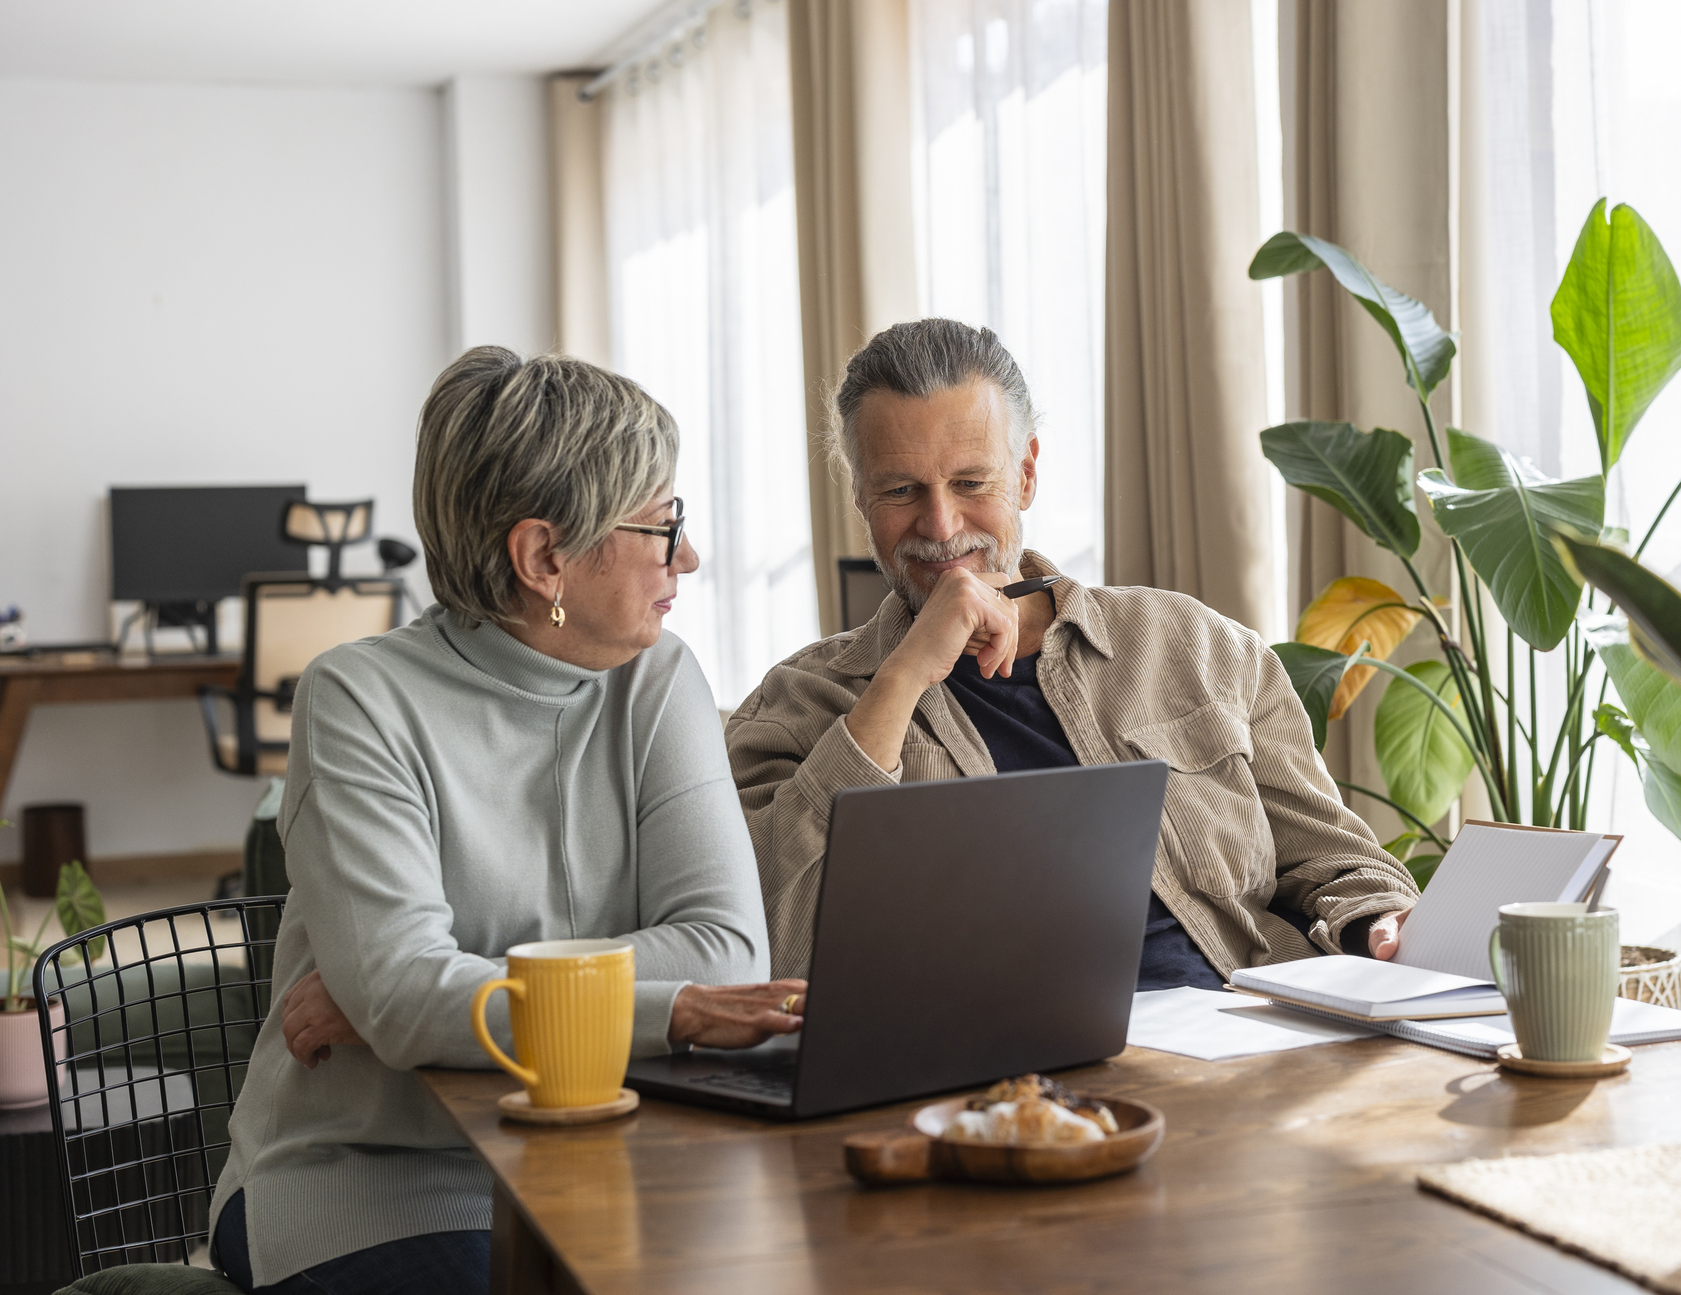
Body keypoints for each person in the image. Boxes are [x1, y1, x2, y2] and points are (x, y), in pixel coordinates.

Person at [209, 349, 804, 1294]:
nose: (686, 556)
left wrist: (443, 991)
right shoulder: (359, 701)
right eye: (660, 525)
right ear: (541, 558)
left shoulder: (658, 678)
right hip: (379, 1180)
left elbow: (727, 951)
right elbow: (408, 999)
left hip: (611, 1152)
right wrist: (673, 1007)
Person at [727, 319, 1420, 990]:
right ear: (858, 494)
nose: (939, 526)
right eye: (900, 490)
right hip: (993, 1078)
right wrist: (903, 675)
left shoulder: (1200, 646)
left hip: (1245, 1038)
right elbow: (762, 945)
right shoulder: (793, 708)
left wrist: (1379, 921)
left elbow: (1338, 862)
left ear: (1025, 475)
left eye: (971, 483)